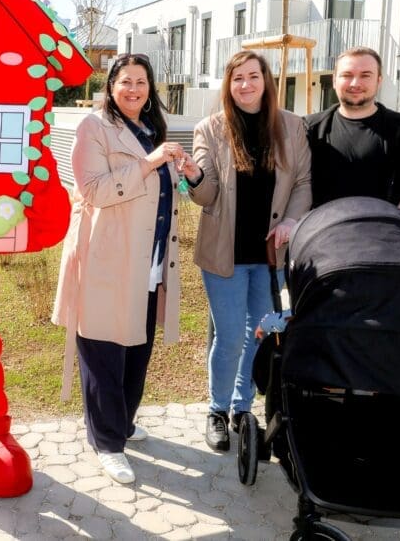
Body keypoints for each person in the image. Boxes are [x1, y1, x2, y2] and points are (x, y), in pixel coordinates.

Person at [52, 53, 196, 485]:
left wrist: (183, 172)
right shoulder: (93, 128)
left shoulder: (152, 128)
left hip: (148, 260)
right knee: (103, 352)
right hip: (108, 259)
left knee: (137, 348)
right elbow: (93, 190)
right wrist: (150, 162)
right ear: (110, 86)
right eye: (125, 81)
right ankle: (106, 442)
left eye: (141, 82)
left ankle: (124, 424)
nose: (134, 89)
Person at [188, 50, 311, 452]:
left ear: (266, 80)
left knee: (258, 334)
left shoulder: (292, 127)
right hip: (225, 256)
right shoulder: (210, 129)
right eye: (237, 78)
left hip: (271, 256)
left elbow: (303, 183)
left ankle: (243, 409)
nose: (245, 84)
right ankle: (217, 411)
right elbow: (206, 194)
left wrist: (291, 222)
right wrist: (194, 176)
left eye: (252, 76)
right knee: (229, 338)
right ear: (228, 84)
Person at [305, 46, 400, 217]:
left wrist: (394, 220)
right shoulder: (310, 129)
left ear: (379, 81)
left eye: (365, 75)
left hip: (382, 237)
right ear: (334, 81)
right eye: (347, 75)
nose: (355, 83)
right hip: (322, 236)